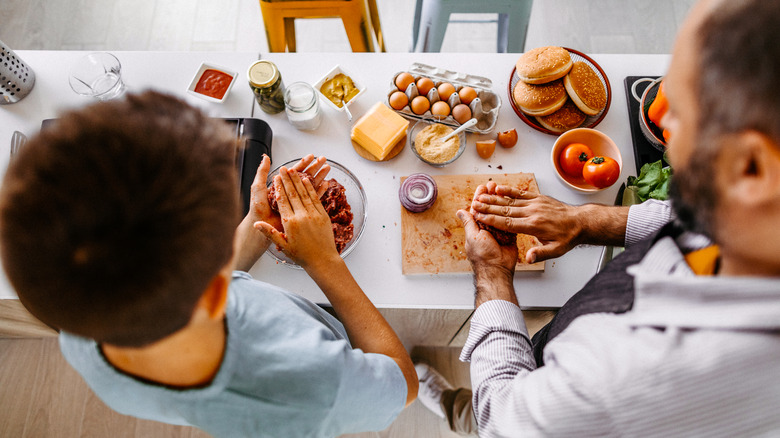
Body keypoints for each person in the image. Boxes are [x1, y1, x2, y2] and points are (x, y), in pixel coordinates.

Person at [424, 0, 780, 435]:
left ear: (750, 166)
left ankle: (457, 410)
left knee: (483, 412)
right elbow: (698, 218)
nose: (661, 115)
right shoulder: (759, 207)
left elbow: (505, 420)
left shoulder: (630, 370)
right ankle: (456, 403)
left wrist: (493, 276)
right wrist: (588, 220)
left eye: (683, 108)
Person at [0, 91, 417, 438]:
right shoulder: (314, 381)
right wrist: (325, 262)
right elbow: (403, 383)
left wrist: (256, 225)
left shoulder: (81, 332)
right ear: (222, 290)